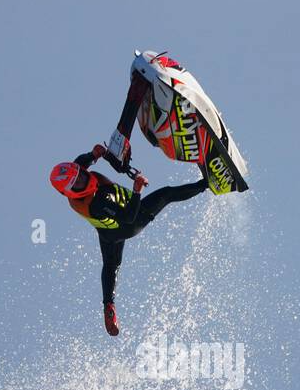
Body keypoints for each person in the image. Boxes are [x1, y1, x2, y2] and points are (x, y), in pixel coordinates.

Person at [50, 144, 208, 336]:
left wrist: (94, 154)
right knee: (166, 194)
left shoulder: (76, 175)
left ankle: (109, 305)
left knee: (111, 265)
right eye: (79, 184)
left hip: (105, 232)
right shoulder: (97, 202)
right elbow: (128, 217)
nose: (84, 180)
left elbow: (81, 163)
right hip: (127, 224)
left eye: (82, 175)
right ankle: (206, 184)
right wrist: (137, 190)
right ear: (70, 193)